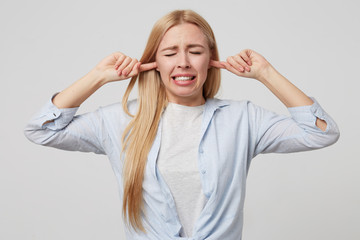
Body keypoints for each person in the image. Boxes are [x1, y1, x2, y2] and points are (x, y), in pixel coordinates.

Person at [24, 9, 340, 240]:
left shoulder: (242, 118)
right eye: (170, 52)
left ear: (210, 59)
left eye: (195, 51)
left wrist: (267, 73)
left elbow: (321, 134)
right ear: (154, 62)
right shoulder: (120, 120)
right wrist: (97, 76)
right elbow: (41, 129)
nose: (183, 62)